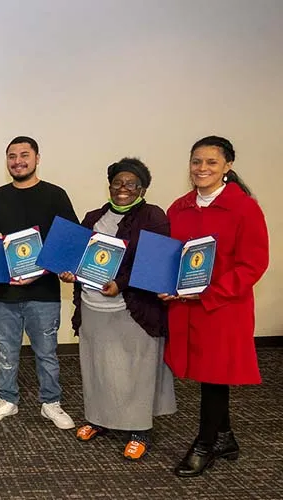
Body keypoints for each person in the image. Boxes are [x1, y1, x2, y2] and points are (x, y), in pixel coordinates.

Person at [162, 136, 268, 477]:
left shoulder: (244, 208)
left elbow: (253, 264)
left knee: (214, 376)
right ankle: (225, 438)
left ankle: (204, 445)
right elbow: (168, 257)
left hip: (224, 309)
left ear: (227, 166)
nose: (202, 169)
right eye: (196, 162)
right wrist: (164, 286)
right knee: (207, 376)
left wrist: (209, 293)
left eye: (210, 162)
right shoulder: (178, 208)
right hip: (185, 308)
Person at [58, 158, 176, 460]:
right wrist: (68, 270)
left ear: (143, 188)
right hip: (92, 306)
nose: (123, 188)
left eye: (131, 184)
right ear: (109, 184)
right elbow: (76, 258)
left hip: (132, 309)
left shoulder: (153, 216)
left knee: (134, 370)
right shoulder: (93, 216)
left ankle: (139, 431)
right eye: (117, 182)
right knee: (97, 367)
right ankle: (99, 420)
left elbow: (152, 264)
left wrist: (120, 284)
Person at [0, 136, 77, 429]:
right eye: (12, 156)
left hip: (43, 292)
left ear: (37, 158)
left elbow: (69, 239)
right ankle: (7, 400)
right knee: (6, 350)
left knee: (46, 352)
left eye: (24, 155)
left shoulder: (55, 195)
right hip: (4, 291)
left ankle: (51, 403)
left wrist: (60, 267)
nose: (18, 161)